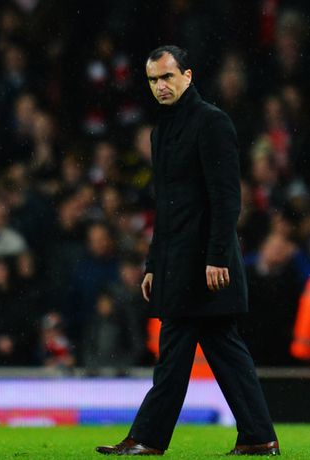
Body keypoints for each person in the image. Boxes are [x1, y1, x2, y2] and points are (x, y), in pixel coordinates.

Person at [96, 46, 279, 456]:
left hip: (204, 263)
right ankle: (258, 437)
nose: (160, 86)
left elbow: (226, 198)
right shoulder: (161, 131)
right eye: (153, 80)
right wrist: (152, 263)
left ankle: (147, 438)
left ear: (188, 76)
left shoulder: (212, 122)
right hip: (177, 263)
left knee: (176, 354)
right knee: (224, 352)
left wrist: (217, 256)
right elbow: (166, 208)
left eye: (167, 77)